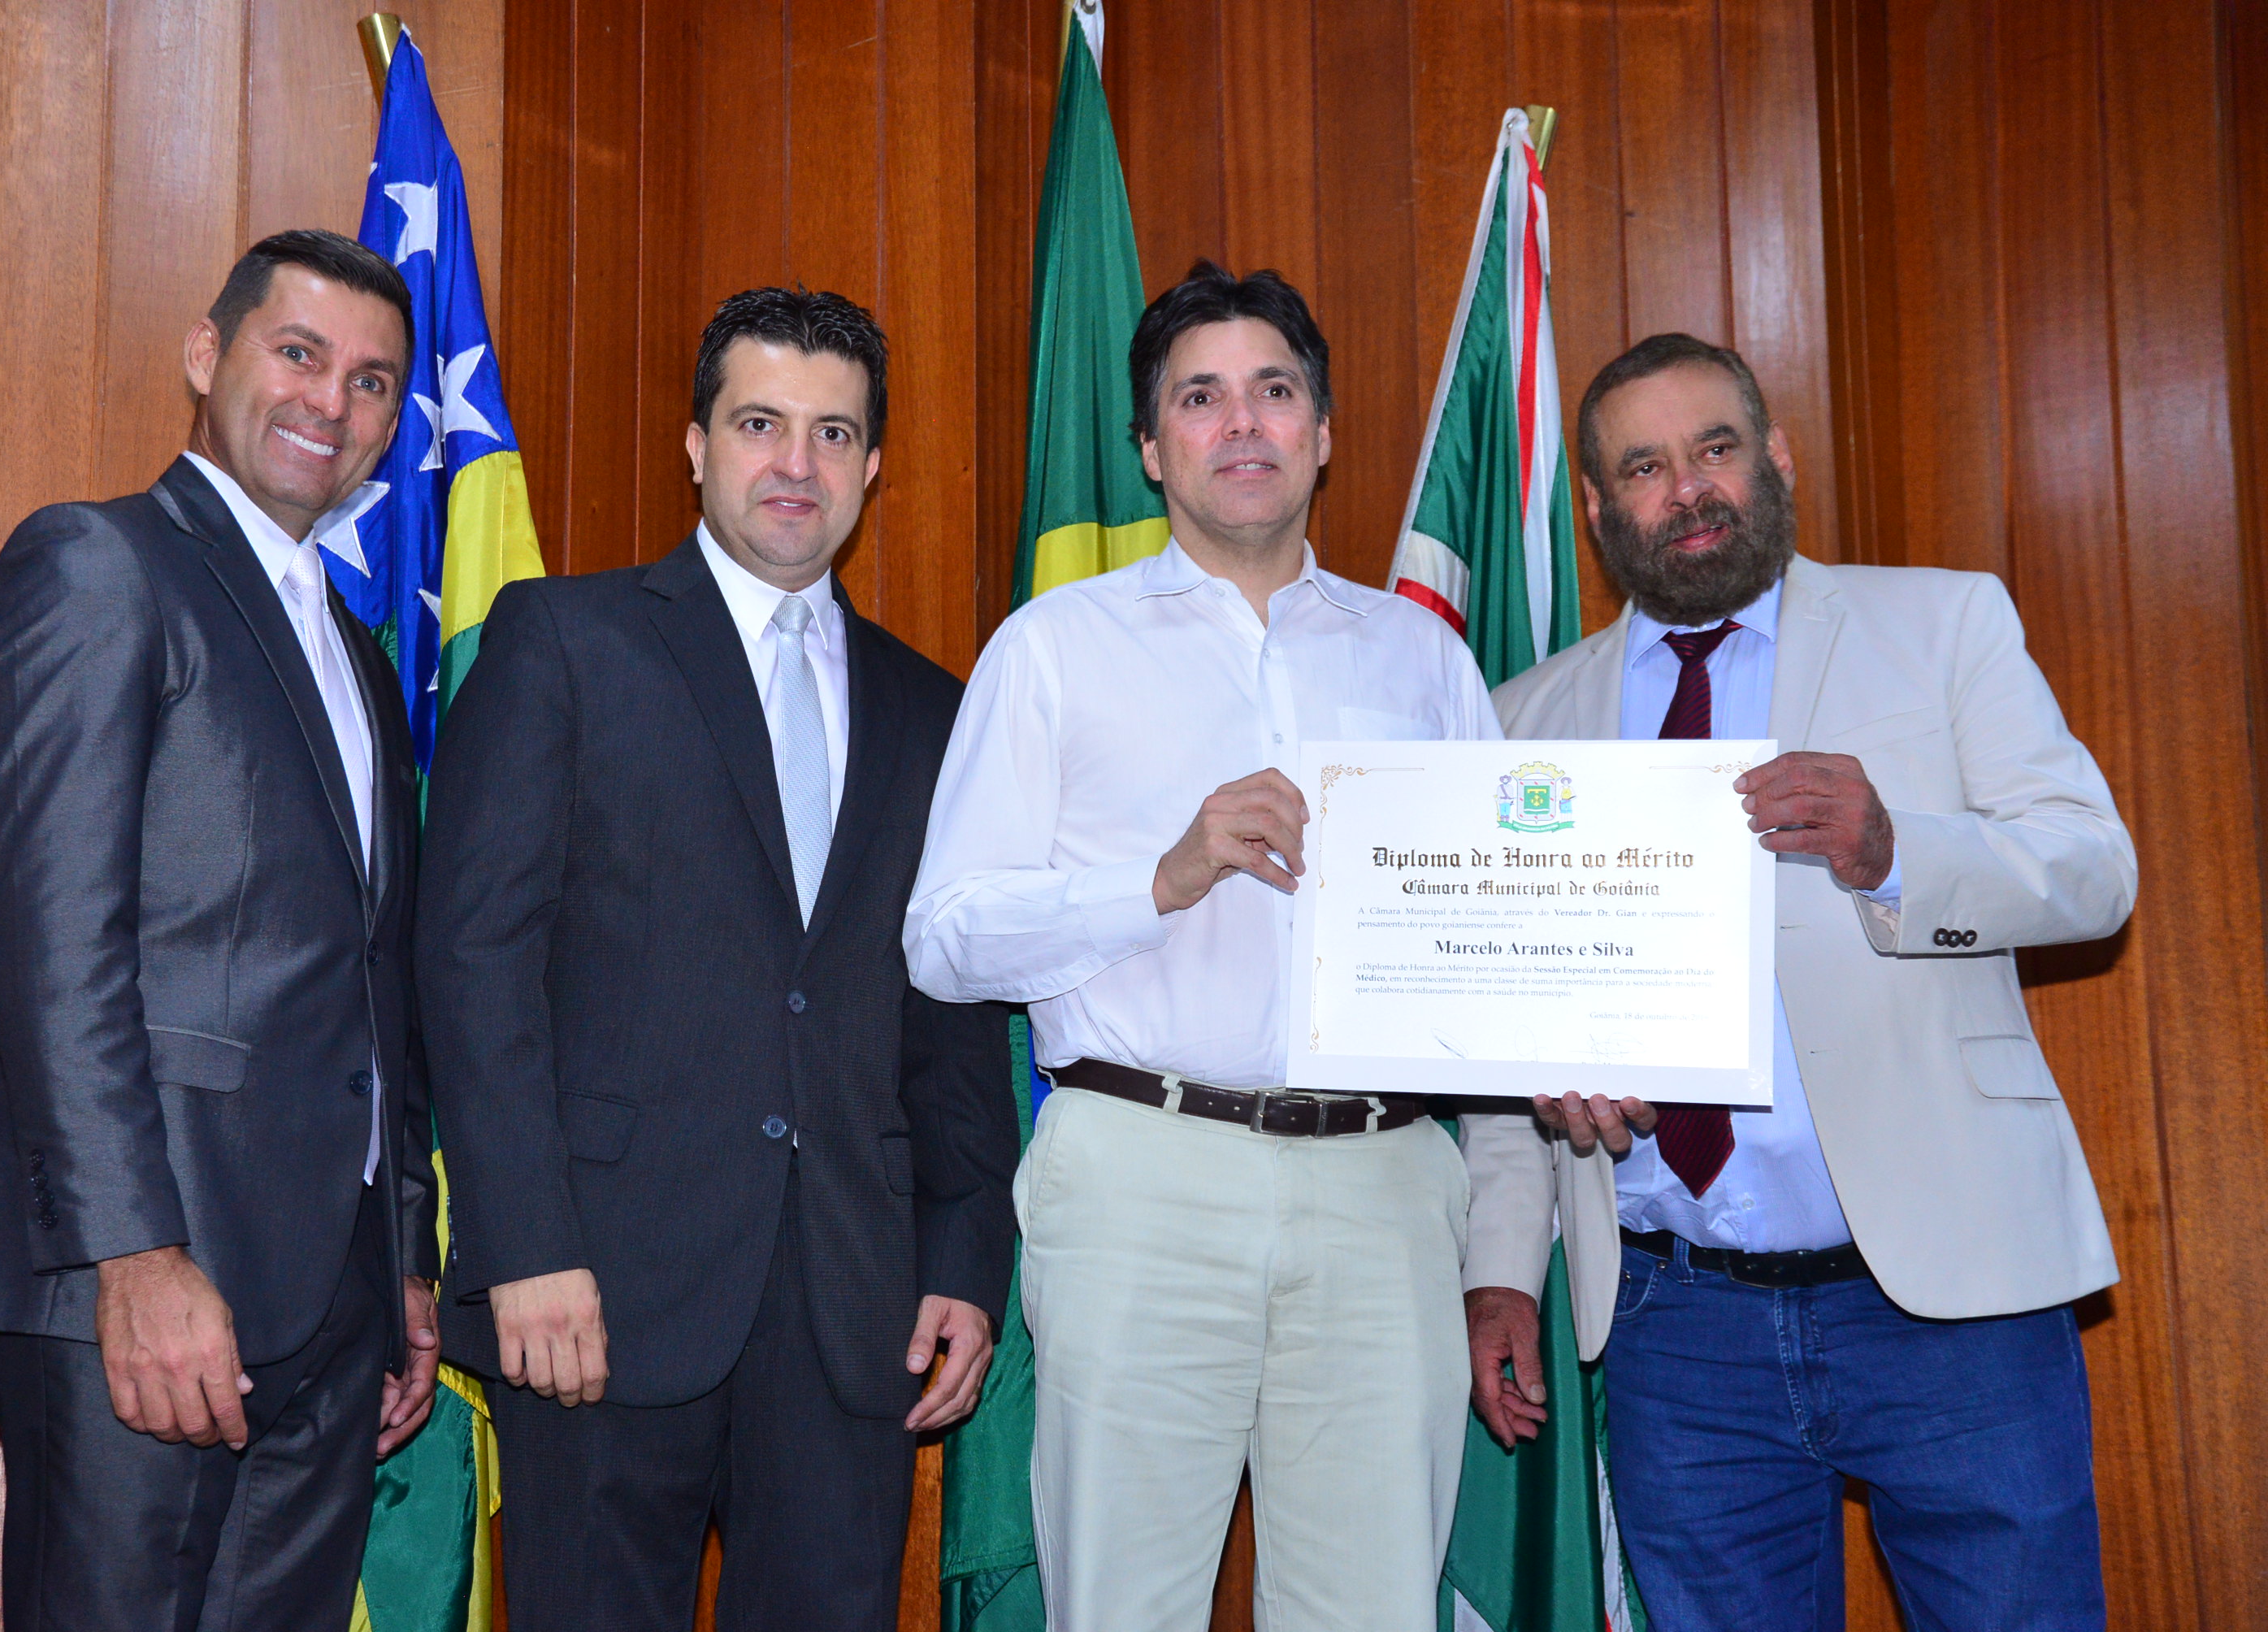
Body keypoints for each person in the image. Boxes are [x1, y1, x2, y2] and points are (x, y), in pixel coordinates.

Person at [1464, 332, 2132, 1630]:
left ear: (1775, 455)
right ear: (1597, 509)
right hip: (1677, 1327)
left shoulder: (1941, 623)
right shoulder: (1521, 720)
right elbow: (1505, 1037)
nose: (1688, 489)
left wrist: (1896, 850)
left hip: (1951, 1299)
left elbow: (2093, 872)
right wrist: (1499, 1264)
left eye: (1714, 447)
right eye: (1645, 468)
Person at [417, 286, 1018, 1632]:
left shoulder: (934, 707)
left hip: (853, 1309)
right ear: (696, 446)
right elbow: (473, 965)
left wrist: (965, 1263)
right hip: (595, 1297)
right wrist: (524, 1248)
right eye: (759, 424)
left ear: (873, 465)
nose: (795, 463)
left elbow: (955, 1013)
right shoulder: (563, 640)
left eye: (832, 433)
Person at [906, 261, 1496, 1631]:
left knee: (1374, 1610)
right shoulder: (1053, 649)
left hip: (1387, 1183)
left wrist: (1576, 1041)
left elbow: (1496, 937)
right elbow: (944, 941)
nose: (1242, 423)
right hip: (1141, 1175)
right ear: (1150, 447)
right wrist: (1160, 879)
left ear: (1323, 433)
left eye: (1274, 391)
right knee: (1123, 1605)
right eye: (1201, 397)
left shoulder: (1423, 662)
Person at [0, 230, 444, 1631]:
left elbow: (378, 980)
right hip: (144, 1273)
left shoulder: (359, 656)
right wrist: (133, 1256)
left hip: (335, 1307)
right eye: (298, 353)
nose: (332, 401)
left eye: (373, 381)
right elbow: (54, 944)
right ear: (207, 355)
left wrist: (402, 1262)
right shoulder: (98, 563)